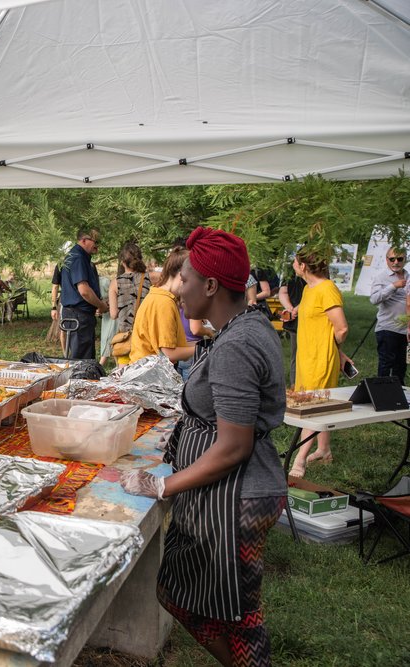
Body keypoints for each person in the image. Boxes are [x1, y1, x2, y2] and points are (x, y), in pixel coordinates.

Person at [121, 226, 287, 667]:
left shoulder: (238, 344)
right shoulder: (242, 327)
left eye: (188, 280)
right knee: (178, 593)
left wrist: (164, 486)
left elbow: (234, 446)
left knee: (239, 616)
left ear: (211, 285)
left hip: (237, 498)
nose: (179, 289)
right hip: (223, 494)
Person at [290, 246, 350, 476]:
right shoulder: (308, 289)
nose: (294, 265)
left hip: (320, 359)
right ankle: (323, 449)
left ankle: (300, 459)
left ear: (303, 266)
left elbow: (342, 328)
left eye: (295, 262)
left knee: (312, 409)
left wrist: (333, 350)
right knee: (318, 406)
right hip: (306, 357)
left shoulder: (327, 289)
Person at [129, 248, 194, 364]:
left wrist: (205, 344)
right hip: (148, 376)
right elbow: (169, 354)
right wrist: (202, 350)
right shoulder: (164, 302)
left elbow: (177, 346)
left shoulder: (159, 296)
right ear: (182, 276)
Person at [59, 230, 108, 359]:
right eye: (95, 241)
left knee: (84, 358)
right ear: (84, 240)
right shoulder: (78, 258)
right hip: (79, 316)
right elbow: (84, 291)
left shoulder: (79, 257)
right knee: (81, 361)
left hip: (79, 314)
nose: (97, 245)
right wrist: (101, 305)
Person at [370, 247, 408, 384]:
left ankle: (399, 397)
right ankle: (382, 394)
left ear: (405, 259)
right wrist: (393, 286)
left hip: (405, 330)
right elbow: (374, 299)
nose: (396, 262)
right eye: (392, 259)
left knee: (401, 366)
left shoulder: (409, 277)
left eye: (399, 259)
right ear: (387, 260)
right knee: (386, 364)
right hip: (388, 328)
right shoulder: (381, 277)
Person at [110, 242, 151, 366]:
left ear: (122, 261)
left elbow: (113, 314)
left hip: (126, 340)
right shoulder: (150, 279)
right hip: (146, 339)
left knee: (124, 381)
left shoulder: (115, 283)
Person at [277, 267, 306, 386]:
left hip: (304, 317)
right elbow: (283, 292)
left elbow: (313, 295)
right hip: (297, 320)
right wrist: (291, 308)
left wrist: (292, 309)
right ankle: (296, 386)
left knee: (299, 355)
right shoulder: (290, 271)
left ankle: (299, 385)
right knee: (297, 354)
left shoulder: (313, 274)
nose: (293, 264)